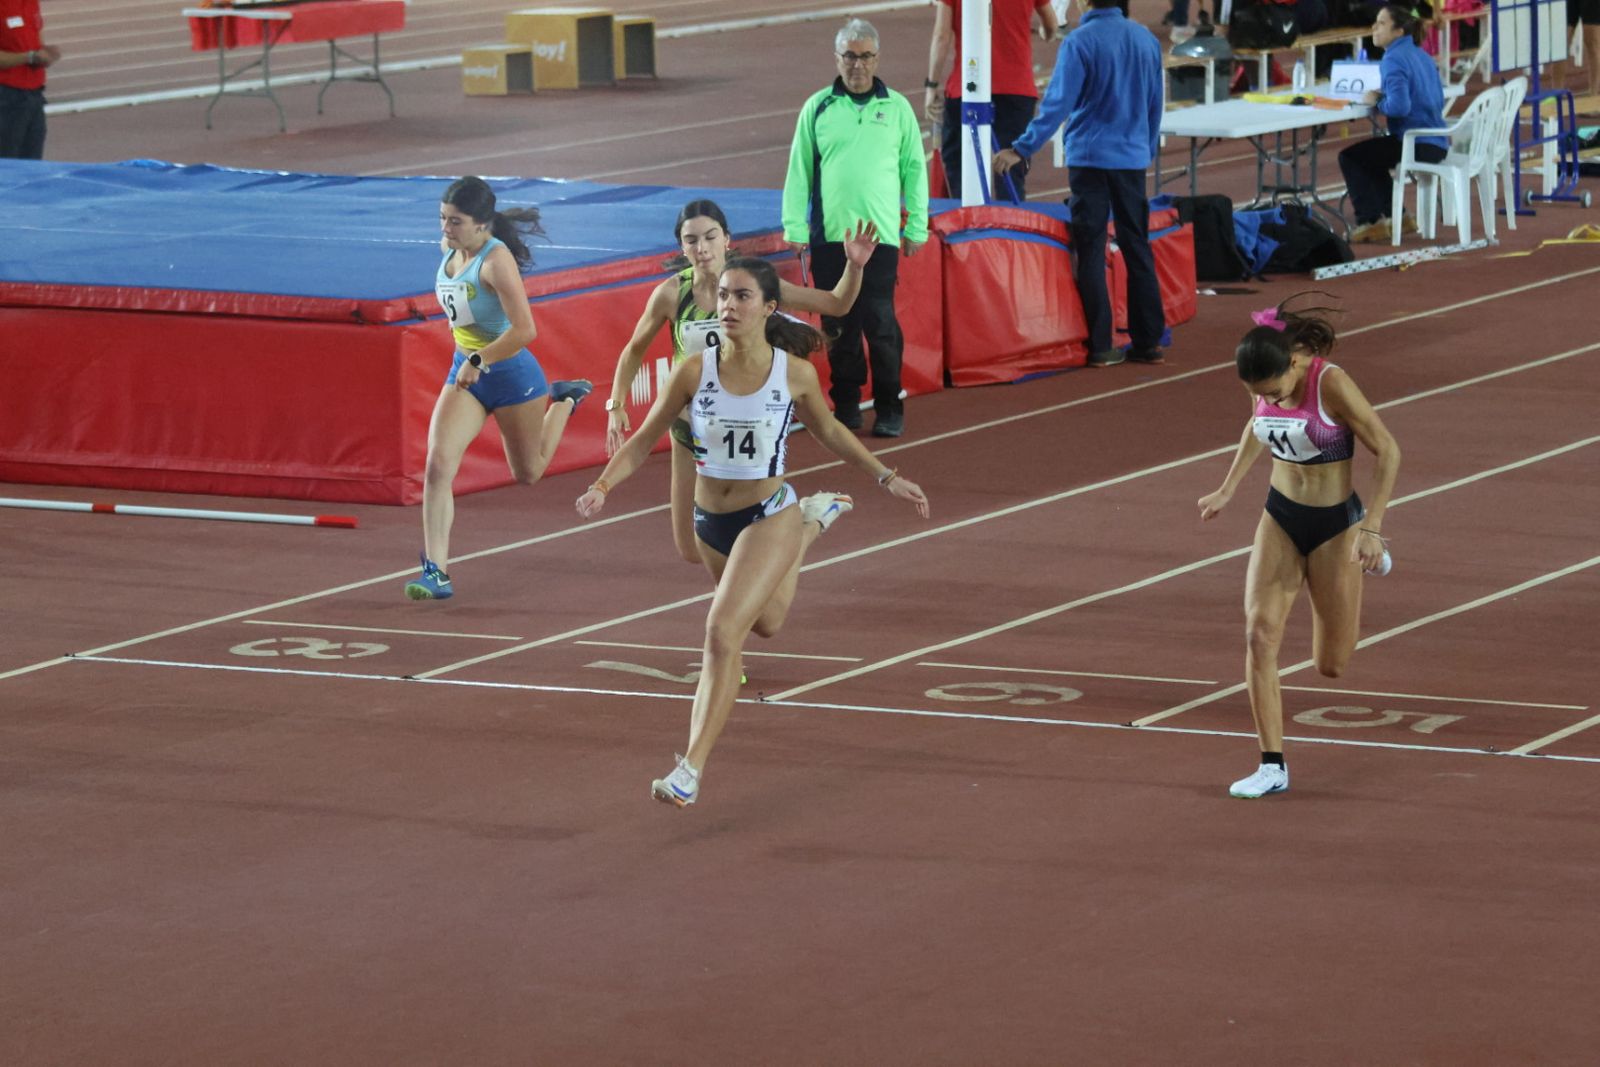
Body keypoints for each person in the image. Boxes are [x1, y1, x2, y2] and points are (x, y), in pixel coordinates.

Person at [576, 256, 930, 807]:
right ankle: (812, 524)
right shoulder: (694, 371)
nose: (729, 306)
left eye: (742, 297)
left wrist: (886, 476)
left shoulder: (794, 373)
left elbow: (831, 430)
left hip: (766, 513)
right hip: (710, 521)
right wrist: (603, 485)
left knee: (721, 633)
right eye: (723, 298)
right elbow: (646, 439)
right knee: (766, 623)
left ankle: (689, 770)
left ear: (768, 307)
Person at [1197, 300, 1401, 798]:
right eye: (1257, 393)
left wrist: (1373, 527)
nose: (1269, 400)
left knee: (1331, 665)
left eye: (1273, 390)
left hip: (1336, 525)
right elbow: (1255, 427)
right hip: (1281, 516)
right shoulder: (1265, 382)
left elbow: (1388, 449)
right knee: (1258, 634)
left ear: (1293, 363)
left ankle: (1371, 559)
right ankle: (1272, 765)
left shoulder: (1330, 382)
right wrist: (1228, 488)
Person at [606, 199, 880, 566]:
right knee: (690, 550)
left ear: (727, 239)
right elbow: (633, 350)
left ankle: (801, 523)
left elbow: (836, 303)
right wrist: (617, 403)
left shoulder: (752, 283)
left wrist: (854, 265)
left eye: (709, 237)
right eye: (691, 240)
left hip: (746, 426)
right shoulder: (672, 294)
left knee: (745, 548)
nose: (701, 248)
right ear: (681, 246)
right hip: (691, 431)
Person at [407, 176, 592, 600]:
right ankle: (436, 571)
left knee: (529, 473)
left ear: (481, 224)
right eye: (442, 219)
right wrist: (468, 359)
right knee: (438, 466)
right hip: (466, 370)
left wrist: (480, 358)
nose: (445, 230)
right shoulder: (450, 252)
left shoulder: (496, 262)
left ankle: (562, 400)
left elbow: (525, 329)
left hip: (510, 375)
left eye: (455, 222)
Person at [993, 0, 1167, 368]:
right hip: (1132, 159)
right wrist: (1143, 149)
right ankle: (1148, 340)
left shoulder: (1079, 42)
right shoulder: (1146, 40)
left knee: (1091, 250)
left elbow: (1057, 105)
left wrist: (1022, 148)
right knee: (1137, 246)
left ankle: (1101, 344)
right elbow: (1156, 104)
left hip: (1090, 160)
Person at [783, 18, 930, 439]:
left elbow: (914, 171)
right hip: (831, 238)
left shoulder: (897, 108)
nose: (858, 65)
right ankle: (846, 404)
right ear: (837, 59)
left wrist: (917, 224)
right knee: (838, 326)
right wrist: (794, 225)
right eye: (850, 56)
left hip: (879, 239)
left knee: (881, 323)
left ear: (877, 58)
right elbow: (799, 172)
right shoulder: (818, 107)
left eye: (865, 56)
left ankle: (889, 405)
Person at [923, 0, 1058, 200]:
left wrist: (931, 85)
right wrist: (1046, 34)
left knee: (959, 168)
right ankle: (1010, 225)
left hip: (967, 87)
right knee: (1010, 171)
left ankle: (965, 223)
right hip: (1016, 88)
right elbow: (1051, 25)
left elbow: (941, 36)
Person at [1337, 5, 1447, 244]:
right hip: (1437, 140)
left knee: (1350, 158)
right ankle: (1399, 217)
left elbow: (1399, 107)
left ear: (1398, 31)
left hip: (1416, 143)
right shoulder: (1422, 55)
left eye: (1382, 23)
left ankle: (1370, 221)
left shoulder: (1394, 58)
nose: (1374, 28)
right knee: (1371, 159)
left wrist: (1377, 100)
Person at [0, 0, 59, 160]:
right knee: (7, 162)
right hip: (6, 96)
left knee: (32, 162)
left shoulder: (31, 3)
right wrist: (30, 57)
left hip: (34, 95)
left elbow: (37, 43)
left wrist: (45, 54)